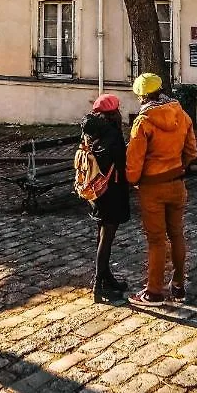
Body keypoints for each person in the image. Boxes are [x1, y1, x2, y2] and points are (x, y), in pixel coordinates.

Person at [126, 73, 197, 306]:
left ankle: (154, 291)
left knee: (156, 240)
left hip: (152, 188)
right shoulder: (181, 114)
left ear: (142, 96)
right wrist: (180, 167)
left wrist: (133, 180)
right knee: (177, 234)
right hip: (177, 183)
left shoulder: (143, 121)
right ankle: (178, 285)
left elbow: (134, 160)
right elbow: (191, 150)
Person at [80, 93, 131, 304]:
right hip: (112, 191)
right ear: (113, 113)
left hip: (96, 190)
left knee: (102, 235)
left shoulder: (91, 131)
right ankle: (99, 284)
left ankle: (106, 276)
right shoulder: (112, 135)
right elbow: (120, 161)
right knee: (106, 237)